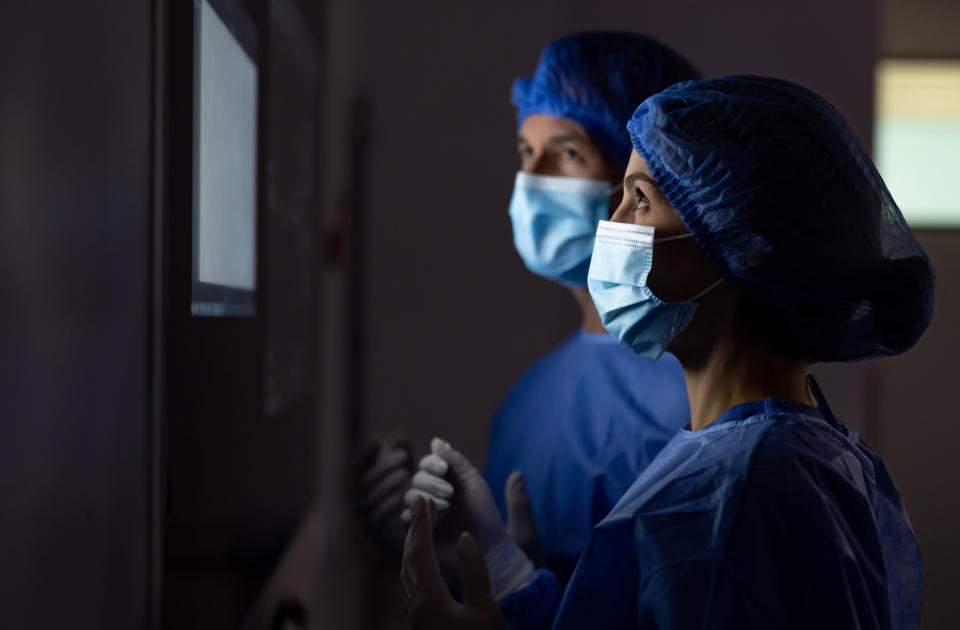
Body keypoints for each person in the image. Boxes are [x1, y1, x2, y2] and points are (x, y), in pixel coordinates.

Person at [400, 75, 933, 630]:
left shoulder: (744, 496)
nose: (612, 225)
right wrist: (508, 573)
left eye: (640, 200)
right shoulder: (786, 456)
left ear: (740, 245)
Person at [358, 32, 700, 581]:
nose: (533, 180)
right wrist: (424, 543)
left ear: (645, 177)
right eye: (525, 152)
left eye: (568, 153)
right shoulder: (531, 397)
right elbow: (520, 582)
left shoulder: (700, 396)